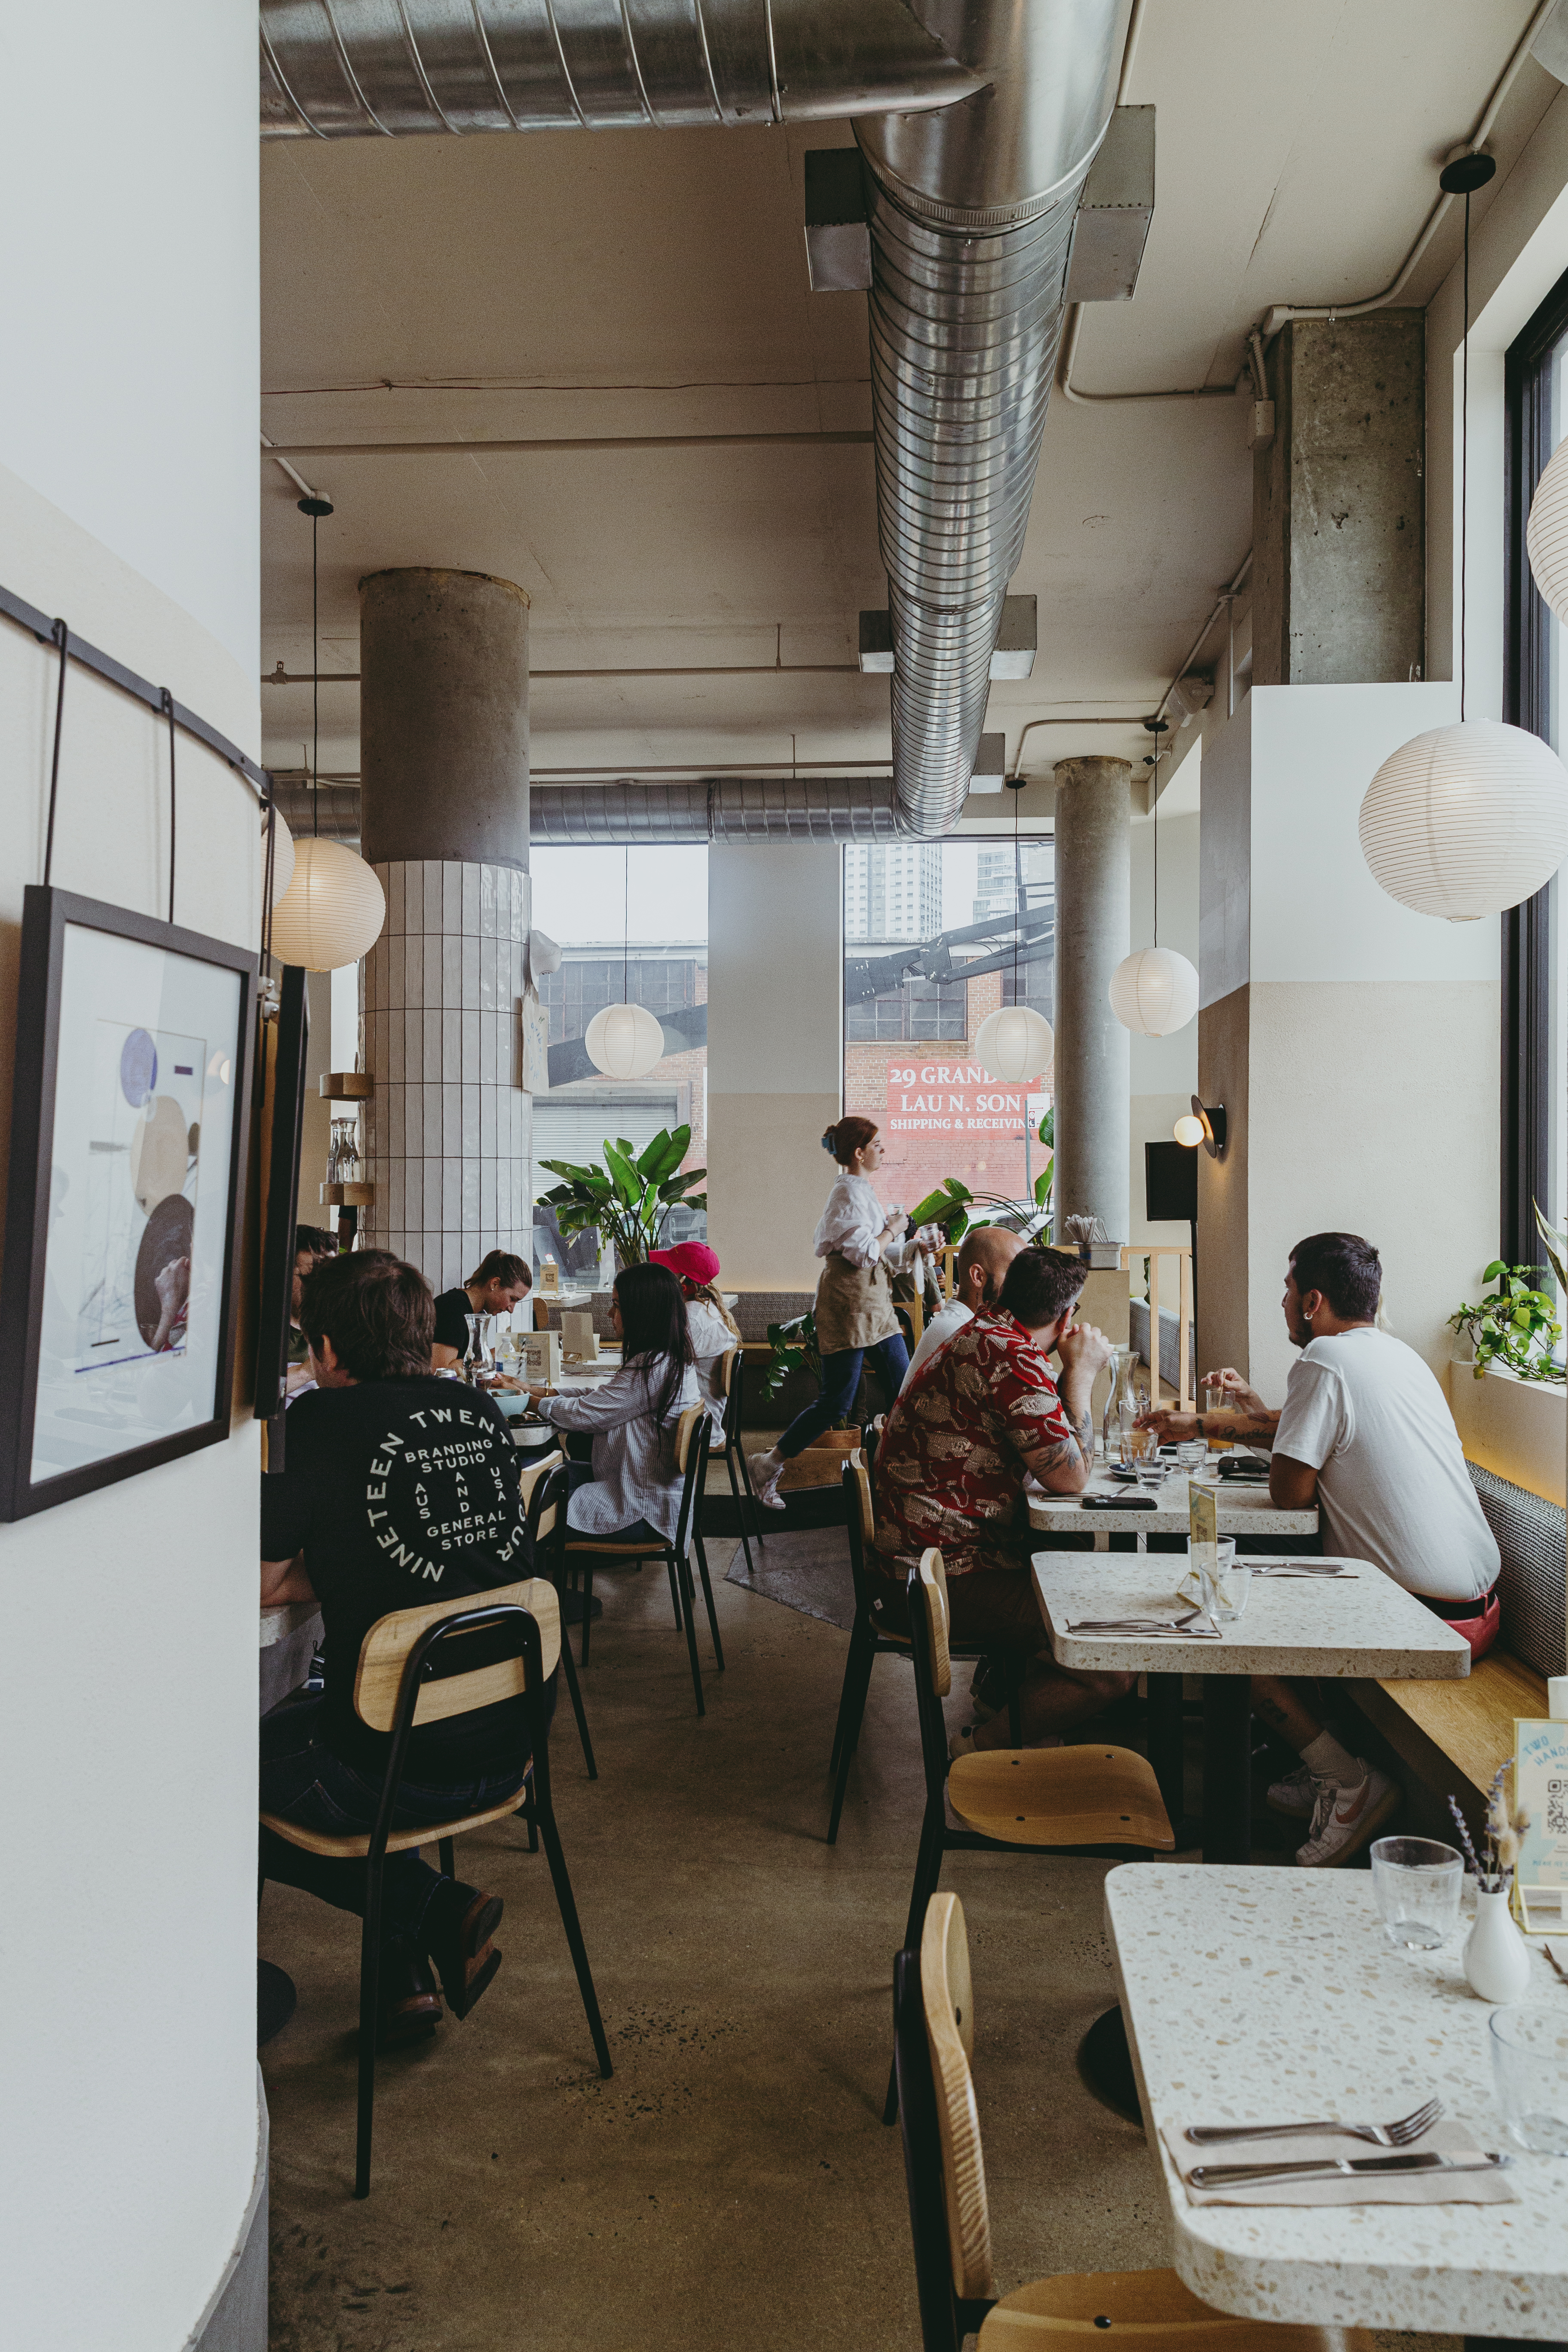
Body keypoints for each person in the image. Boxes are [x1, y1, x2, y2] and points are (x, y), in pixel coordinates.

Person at [1139, 1230, 1502, 1867]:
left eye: (1285, 1291)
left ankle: (1347, 1781)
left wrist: (1228, 1428)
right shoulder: (1397, 1357)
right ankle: (1321, 1763)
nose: (1282, 1303)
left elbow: (1290, 1495)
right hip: (1478, 1606)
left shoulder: (1323, 1360)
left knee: (1223, 1617)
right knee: (1263, 1582)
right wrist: (1224, 1420)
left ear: (1312, 1301)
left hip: (1423, 1619)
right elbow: (1314, 1432)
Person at [259, 1253, 540, 2048]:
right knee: (378, 1709)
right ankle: (402, 1984)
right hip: (510, 1739)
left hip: (399, 1768)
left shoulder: (312, 1422)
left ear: (327, 1349)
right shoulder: (476, 1412)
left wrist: (348, 1552)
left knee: (224, 1775)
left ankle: (436, 1910)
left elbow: (266, 1584)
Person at [870, 1245, 1126, 1755]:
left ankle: (1004, 1701)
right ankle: (978, 1748)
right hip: (936, 1579)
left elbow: (1038, 1443)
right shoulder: (1009, 1356)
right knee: (1112, 1666)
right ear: (1066, 1314)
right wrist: (1081, 1374)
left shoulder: (987, 1333)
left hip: (921, 1561)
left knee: (1071, 1556)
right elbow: (1071, 1479)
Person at [747, 1116, 910, 1510]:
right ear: (858, 1152)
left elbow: (873, 1250)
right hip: (849, 1305)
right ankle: (768, 1464)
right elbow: (864, 1252)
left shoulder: (859, 1190)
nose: (883, 1150)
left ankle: (901, 1475)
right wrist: (896, 1228)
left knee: (905, 1387)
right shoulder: (847, 1195)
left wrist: (913, 1246)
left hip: (870, 1305)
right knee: (837, 1402)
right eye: (877, 1144)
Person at [526, 1260, 701, 1544]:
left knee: (523, 1510)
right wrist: (531, 1390)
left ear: (642, 1311)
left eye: (617, 1306)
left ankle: (529, 1583)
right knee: (533, 1471)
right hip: (639, 1490)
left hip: (641, 1509)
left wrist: (526, 1401)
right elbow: (599, 1399)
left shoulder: (653, 1367)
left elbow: (587, 1415)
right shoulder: (667, 1357)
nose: (610, 1314)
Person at [899, 1225, 1025, 1391]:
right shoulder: (963, 1334)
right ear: (978, 1276)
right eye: (1013, 1273)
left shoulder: (965, 1322)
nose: (1023, 1283)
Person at [650, 1239, 740, 1427]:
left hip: (691, 1427)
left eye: (668, 1273)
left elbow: (658, 1370)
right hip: (694, 1417)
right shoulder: (703, 1308)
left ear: (685, 1283)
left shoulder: (692, 1319)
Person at [431, 1249, 533, 1368]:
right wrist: (488, 1356)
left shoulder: (476, 1312)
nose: (511, 1309)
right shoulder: (453, 1307)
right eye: (512, 1299)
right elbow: (442, 1370)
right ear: (494, 1284)